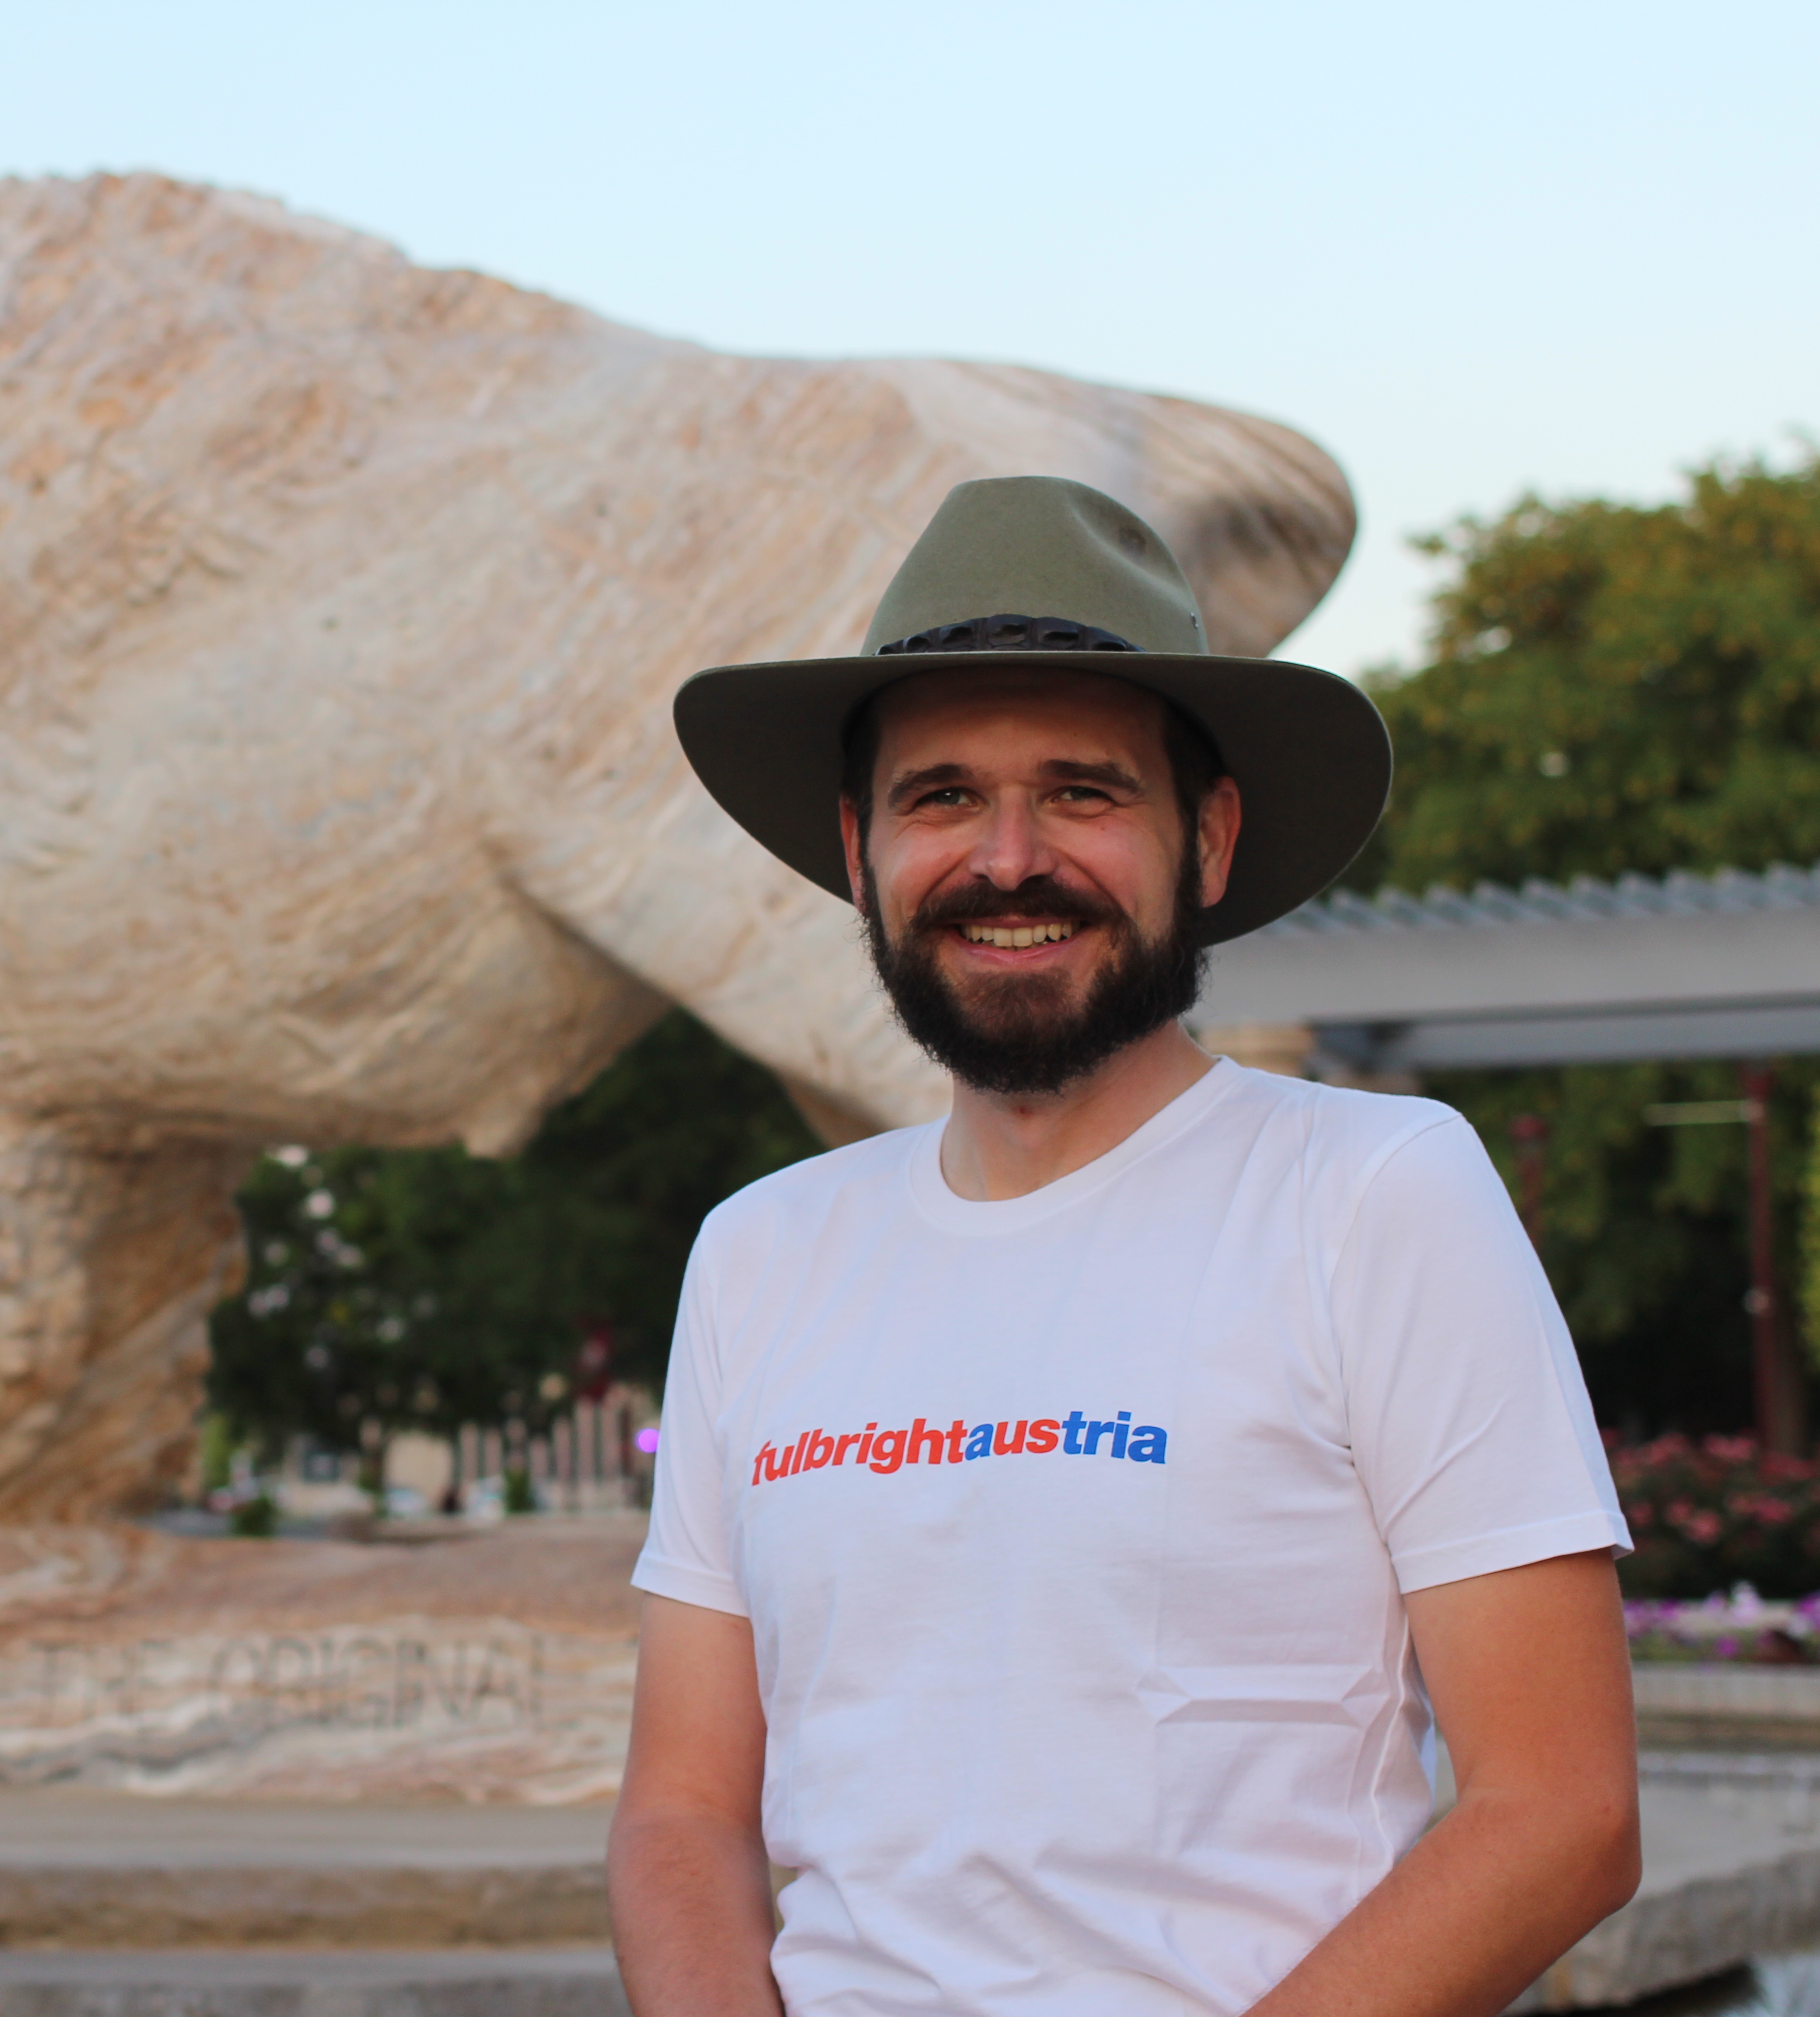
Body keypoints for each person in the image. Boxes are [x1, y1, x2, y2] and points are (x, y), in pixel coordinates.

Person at [612, 477, 1638, 2016]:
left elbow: (1562, 1809)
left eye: (1083, 793)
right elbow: (682, 1812)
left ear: (1206, 841)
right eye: (940, 797)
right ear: (859, 849)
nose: (1008, 858)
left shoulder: (1370, 1192)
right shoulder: (762, 1251)